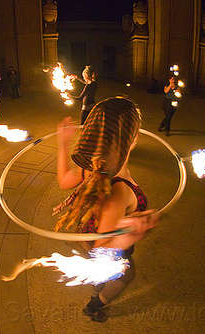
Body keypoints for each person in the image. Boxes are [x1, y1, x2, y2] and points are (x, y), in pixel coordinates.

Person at [55, 97, 158, 322]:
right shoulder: (119, 191)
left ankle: (95, 291)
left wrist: (62, 143)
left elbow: (63, 180)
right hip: (102, 246)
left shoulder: (91, 170)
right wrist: (131, 235)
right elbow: (101, 253)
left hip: (87, 237)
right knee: (126, 275)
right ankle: (93, 306)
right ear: (133, 138)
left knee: (101, 274)